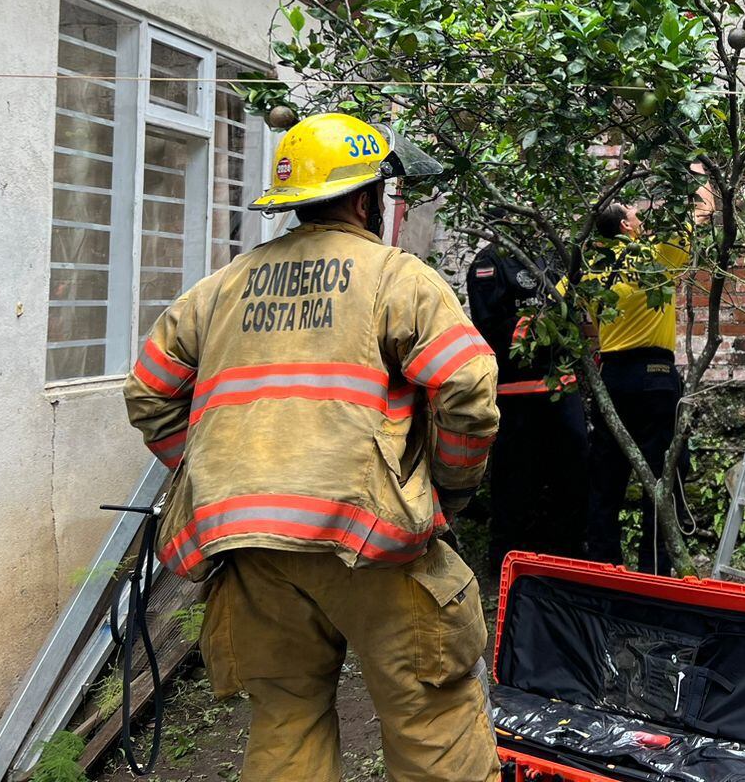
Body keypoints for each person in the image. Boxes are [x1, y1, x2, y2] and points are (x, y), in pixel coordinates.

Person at [124, 113, 501, 782]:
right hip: (370, 538)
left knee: (286, 723)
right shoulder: (396, 277)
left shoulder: (221, 287)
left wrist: (216, 476)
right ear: (365, 199)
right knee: (432, 723)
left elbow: (149, 392)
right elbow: (467, 384)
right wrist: (450, 485)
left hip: (251, 549)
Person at [581, 200, 704, 576]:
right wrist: (695, 173)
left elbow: (561, 299)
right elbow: (702, 211)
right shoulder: (653, 257)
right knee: (663, 478)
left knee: (605, 480)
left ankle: (604, 572)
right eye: (635, 212)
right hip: (654, 376)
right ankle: (654, 572)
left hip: (611, 378)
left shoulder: (590, 270)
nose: (642, 216)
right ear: (625, 227)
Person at [466, 238, 588, 574]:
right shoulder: (489, 262)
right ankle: (508, 565)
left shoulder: (551, 255)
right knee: (515, 482)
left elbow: (573, 312)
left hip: (561, 390)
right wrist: (537, 325)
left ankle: (568, 563)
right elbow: (489, 327)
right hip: (516, 394)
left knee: (572, 474)